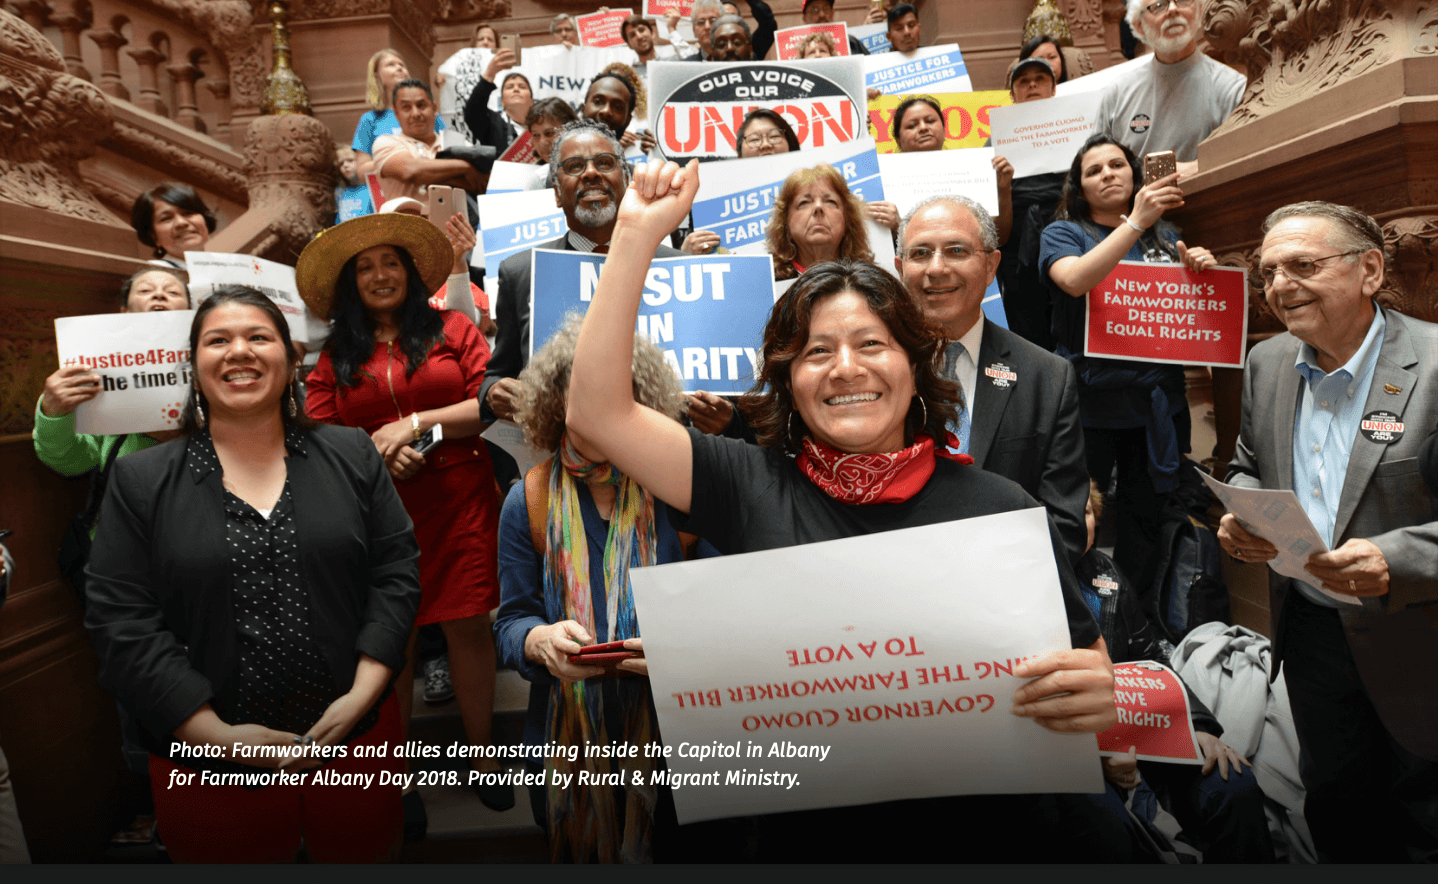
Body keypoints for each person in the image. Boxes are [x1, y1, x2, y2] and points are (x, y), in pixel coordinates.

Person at [564, 157, 1131, 862]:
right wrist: (635, 235)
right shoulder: (746, 484)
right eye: (816, 352)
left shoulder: (1000, 510)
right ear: (787, 380)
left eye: (872, 345)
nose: (846, 369)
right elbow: (596, 414)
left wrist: (1096, 697)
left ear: (914, 366)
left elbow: (1088, 665)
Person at [84, 286, 421, 862]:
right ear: (193, 366)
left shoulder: (353, 454)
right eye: (218, 340)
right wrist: (210, 732)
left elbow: (396, 574)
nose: (239, 351)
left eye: (258, 337)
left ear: (292, 361)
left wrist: (363, 694)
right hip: (205, 761)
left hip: (356, 737)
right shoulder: (141, 481)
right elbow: (122, 620)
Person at [1217, 201, 1438, 861]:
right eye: (1270, 272)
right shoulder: (1267, 363)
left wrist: (1400, 558)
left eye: (1303, 266)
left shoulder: (1433, 365)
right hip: (1312, 635)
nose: (1281, 286)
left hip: (1420, 637)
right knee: (1340, 809)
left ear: (1369, 269)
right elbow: (1246, 466)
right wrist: (1242, 517)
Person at [297, 212, 511, 813]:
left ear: (411, 273)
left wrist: (414, 424)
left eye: (390, 262)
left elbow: (487, 403)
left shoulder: (453, 329)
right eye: (365, 267)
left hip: (461, 497)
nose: (380, 274)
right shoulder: (336, 354)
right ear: (350, 283)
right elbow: (317, 433)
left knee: (469, 625)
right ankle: (397, 782)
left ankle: (485, 756)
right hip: (373, 512)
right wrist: (376, 456)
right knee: (394, 638)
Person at [494, 315, 714, 861]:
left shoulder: (684, 491)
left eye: (611, 393)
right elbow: (510, 622)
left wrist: (681, 648)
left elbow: (728, 618)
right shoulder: (530, 501)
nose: (592, 411)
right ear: (554, 404)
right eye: (578, 394)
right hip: (563, 748)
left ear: (639, 404)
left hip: (680, 752)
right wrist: (538, 640)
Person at [1039, 134, 1215, 583]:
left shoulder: (1167, 237)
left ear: (1135, 174)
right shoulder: (1063, 233)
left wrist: (1199, 268)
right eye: (1093, 171)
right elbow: (1075, 279)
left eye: (1116, 165)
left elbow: (1186, 314)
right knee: (1078, 513)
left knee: (1147, 518)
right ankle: (1083, 607)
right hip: (1090, 403)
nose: (1107, 175)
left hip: (1156, 402)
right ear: (1079, 187)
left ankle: (1139, 620)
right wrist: (1135, 222)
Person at [1077, 483, 1277, 862]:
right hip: (1071, 752)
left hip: (1135, 725)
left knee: (1233, 786)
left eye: (1086, 512)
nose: (1076, 521)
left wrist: (1196, 726)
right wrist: (1092, 754)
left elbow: (1155, 657)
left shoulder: (1107, 574)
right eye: (1064, 511)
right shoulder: (1022, 584)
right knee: (1105, 820)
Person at [896, 196, 1088, 562]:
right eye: (920, 253)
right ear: (899, 268)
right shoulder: (869, 371)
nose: (936, 269)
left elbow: (1064, 526)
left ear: (990, 265)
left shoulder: (1047, 377)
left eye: (956, 250)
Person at [479, 120, 684, 426]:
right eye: (574, 166)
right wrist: (492, 392)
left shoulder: (679, 267)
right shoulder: (521, 273)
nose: (591, 173)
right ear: (557, 194)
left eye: (604, 163)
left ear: (626, 180)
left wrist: (725, 418)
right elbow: (498, 373)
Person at [1093, 0, 1245, 180]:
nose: (1173, 10)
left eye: (1182, 1)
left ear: (1199, 11)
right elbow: (1094, 165)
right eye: (1159, 5)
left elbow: (1243, 156)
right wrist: (1164, 172)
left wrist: (1197, 167)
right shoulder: (1118, 93)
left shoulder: (1233, 87)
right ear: (1139, 26)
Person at [1000, 56, 1064, 350]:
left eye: (1040, 78)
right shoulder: (996, 143)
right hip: (1018, 245)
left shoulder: (1075, 131)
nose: (1032, 85)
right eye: (1023, 81)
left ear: (1054, 89)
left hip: (1069, 234)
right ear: (1012, 94)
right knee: (1028, 333)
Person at [372, 79, 487, 202]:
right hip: (409, 220)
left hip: (456, 220)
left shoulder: (456, 141)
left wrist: (428, 174)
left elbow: (480, 183)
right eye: (406, 107)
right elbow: (409, 171)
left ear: (434, 108)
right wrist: (465, 167)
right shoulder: (386, 142)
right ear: (396, 113)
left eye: (421, 105)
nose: (415, 113)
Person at [765, 164, 874, 281]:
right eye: (804, 202)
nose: (818, 207)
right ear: (785, 222)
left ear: (848, 220)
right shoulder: (766, 284)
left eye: (830, 201)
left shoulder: (871, 282)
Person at [352, 49, 446, 179]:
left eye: (402, 65)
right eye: (391, 65)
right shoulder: (369, 119)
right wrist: (397, 162)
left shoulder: (428, 114)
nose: (399, 68)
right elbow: (362, 172)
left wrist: (418, 164)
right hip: (387, 193)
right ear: (377, 76)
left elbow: (451, 151)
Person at [460, 49, 532, 157]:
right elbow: (473, 112)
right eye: (510, 87)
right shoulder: (492, 123)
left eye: (522, 87)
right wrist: (489, 74)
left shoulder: (540, 125)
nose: (516, 89)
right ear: (502, 101)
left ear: (532, 100)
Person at [130, 183, 217, 269]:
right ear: (153, 236)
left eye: (188, 213)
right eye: (166, 218)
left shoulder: (226, 266)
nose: (181, 223)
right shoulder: (154, 272)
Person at [580, 72, 655, 154]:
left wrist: (655, 155)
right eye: (598, 102)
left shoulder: (637, 166)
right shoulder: (563, 159)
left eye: (617, 107)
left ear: (628, 120)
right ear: (583, 109)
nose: (606, 111)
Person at [800, 0, 872, 56]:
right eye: (815, 10)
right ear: (804, 18)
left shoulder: (851, 42)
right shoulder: (797, 47)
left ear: (833, 12)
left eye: (826, 8)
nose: (822, 14)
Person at [526, 97, 579, 167]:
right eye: (536, 135)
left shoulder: (591, 169)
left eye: (549, 133)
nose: (542, 143)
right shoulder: (534, 172)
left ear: (571, 129)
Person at [336, 145, 374, 223]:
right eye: (341, 164)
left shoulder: (373, 188)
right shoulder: (339, 192)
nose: (345, 165)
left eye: (350, 160)